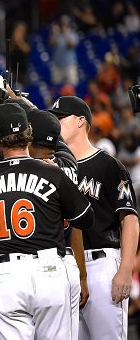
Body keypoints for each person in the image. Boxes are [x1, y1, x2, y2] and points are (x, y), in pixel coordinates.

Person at [0, 103, 94, 340]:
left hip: (6, 273)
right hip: (50, 269)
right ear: (29, 133)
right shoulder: (52, 172)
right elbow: (86, 218)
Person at [50, 96, 140, 340]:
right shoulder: (53, 166)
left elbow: (129, 220)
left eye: (61, 118)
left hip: (101, 265)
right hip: (65, 267)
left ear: (81, 121)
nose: (55, 123)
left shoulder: (110, 166)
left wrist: (125, 269)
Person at [28, 109, 88, 340]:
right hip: (66, 261)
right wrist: (82, 275)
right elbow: (79, 225)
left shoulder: (23, 169)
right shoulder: (68, 164)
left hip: (33, 264)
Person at [50, 16, 79, 86]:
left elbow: (73, 44)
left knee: (72, 86)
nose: (63, 26)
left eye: (65, 24)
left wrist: (65, 34)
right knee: (56, 87)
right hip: (58, 66)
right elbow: (51, 44)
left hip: (70, 65)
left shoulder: (72, 34)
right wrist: (55, 33)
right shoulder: (57, 34)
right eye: (62, 24)